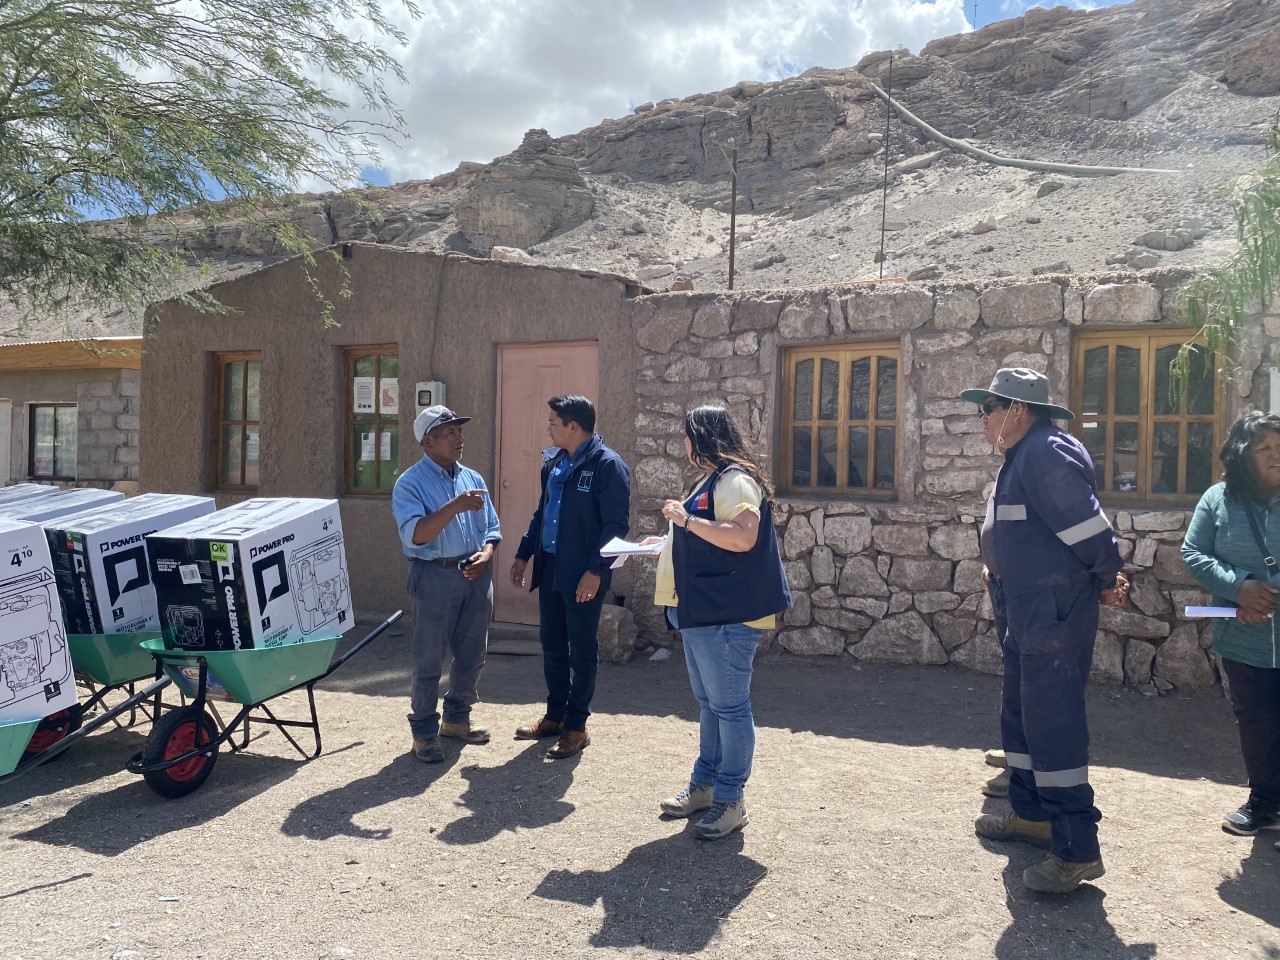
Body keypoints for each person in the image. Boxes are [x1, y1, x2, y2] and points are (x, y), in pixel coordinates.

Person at [960, 368, 1126, 894]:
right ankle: (1033, 816)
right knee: (1024, 713)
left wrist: (1105, 576)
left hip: (1052, 609)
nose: (981, 417)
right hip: (1028, 605)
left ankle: (1077, 848)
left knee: (1053, 720)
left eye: (986, 407)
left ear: (1017, 408)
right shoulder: (1023, 453)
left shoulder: (1046, 451)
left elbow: (1087, 528)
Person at [647, 405, 791, 841]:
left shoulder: (735, 481)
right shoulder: (714, 480)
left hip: (725, 615)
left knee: (729, 708)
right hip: (703, 611)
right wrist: (669, 540)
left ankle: (731, 799)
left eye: (688, 436)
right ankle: (706, 786)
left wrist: (686, 521)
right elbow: (710, 535)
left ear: (703, 438)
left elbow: (743, 536)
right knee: (712, 705)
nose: (685, 445)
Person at [510, 395, 631, 759]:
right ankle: (555, 717)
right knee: (552, 645)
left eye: (553, 422)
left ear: (572, 427)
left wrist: (596, 570)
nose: (548, 427)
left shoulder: (608, 466)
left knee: (582, 650)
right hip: (551, 570)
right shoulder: (555, 465)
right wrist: (523, 554)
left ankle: (577, 726)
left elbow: (615, 526)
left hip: (583, 576)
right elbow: (541, 513)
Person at [1182, 411, 1280, 845]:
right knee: (1256, 720)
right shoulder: (1217, 499)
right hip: (1245, 639)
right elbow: (1195, 553)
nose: (1277, 456)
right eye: (1265, 449)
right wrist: (1240, 588)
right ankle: (1264, 802)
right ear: (1242, 456)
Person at [391, 405, 501, 764]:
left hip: (474, 575)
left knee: (473, 655)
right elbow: (416, 535)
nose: (459, 438)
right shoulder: (409, 484)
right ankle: (424, 730)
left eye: (459, 431)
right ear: (428, 441)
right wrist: (454, 506)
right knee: (429, 658)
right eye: (449, 432)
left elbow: (492, 528)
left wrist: (486, 554)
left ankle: (456, 719)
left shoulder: (472, 477)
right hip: (434, 575)